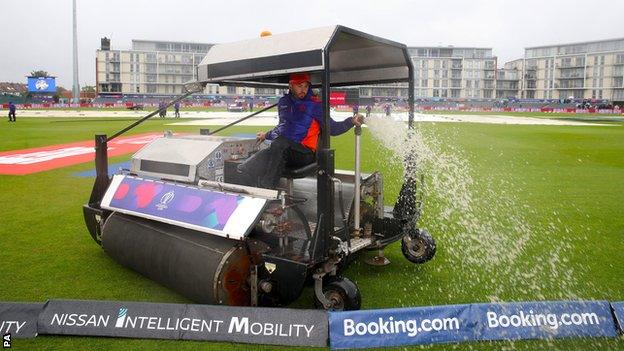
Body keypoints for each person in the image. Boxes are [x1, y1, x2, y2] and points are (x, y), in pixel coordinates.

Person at [238, 72, 362, 189]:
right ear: (290, 86)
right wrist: (266, 135)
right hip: (284, 149)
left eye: (306, 86)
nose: (303, 89)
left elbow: (333, 129)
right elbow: (283, 128)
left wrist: (350, 121)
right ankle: (255, 197)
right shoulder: (284, 102)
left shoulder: (315, 105)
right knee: (245, 168)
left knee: (278, 144)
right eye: (299, 86)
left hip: (305, 153)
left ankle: (268, 189)